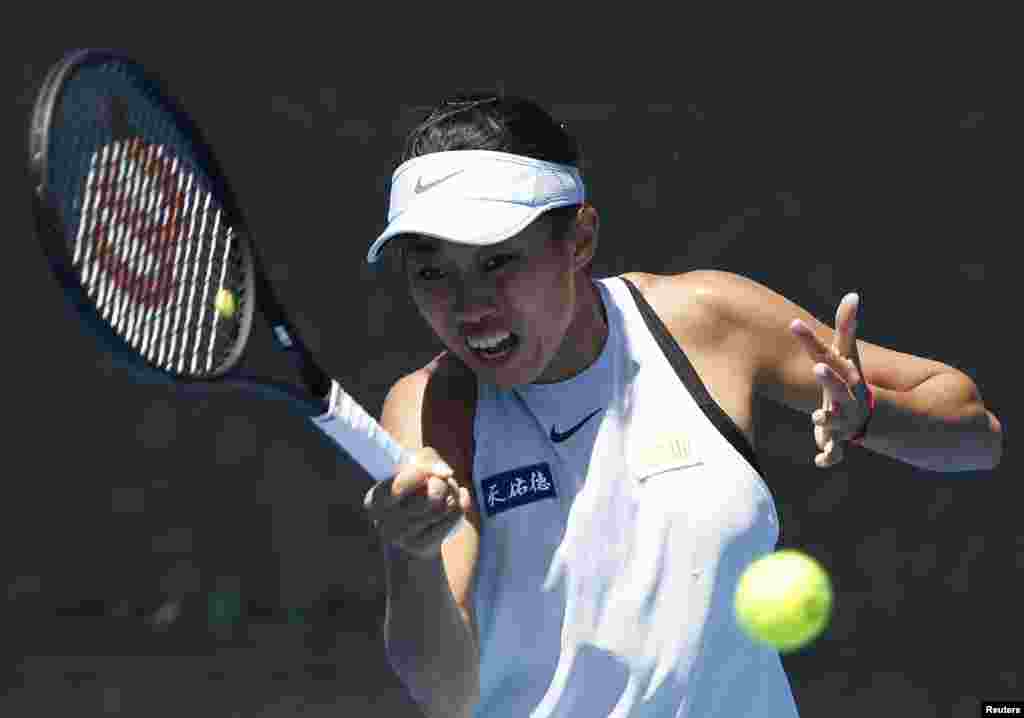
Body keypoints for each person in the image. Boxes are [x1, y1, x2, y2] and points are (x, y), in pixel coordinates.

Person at [360, 93, 1003, 718]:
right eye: (432, 273)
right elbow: (443, 696)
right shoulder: (431, 410)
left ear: (579, 240)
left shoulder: (704, 323)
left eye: (498, 260)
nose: (470, 306)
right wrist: (410, 554)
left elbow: (980, 436)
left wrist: (873, 417)